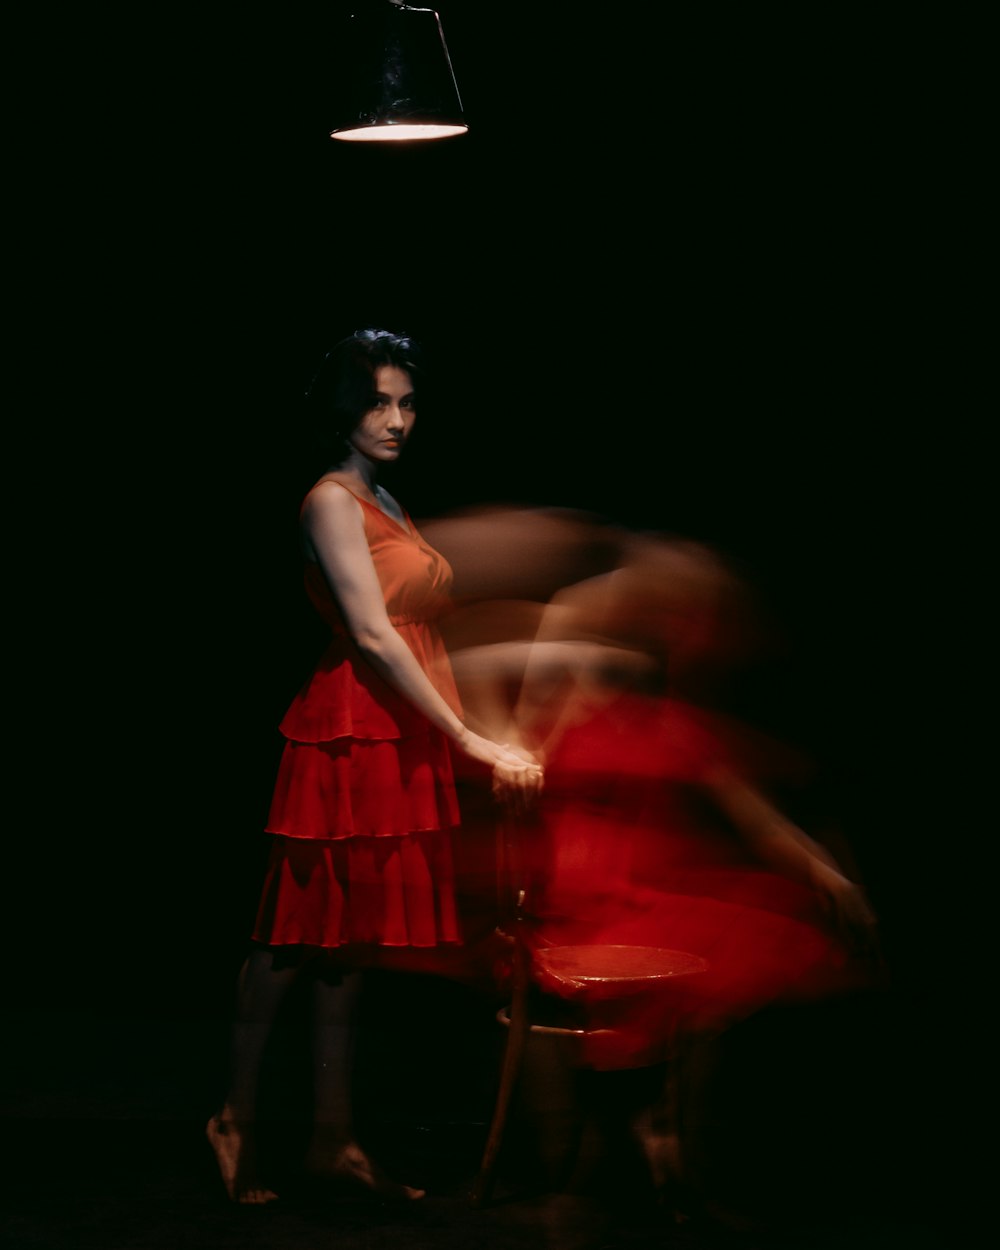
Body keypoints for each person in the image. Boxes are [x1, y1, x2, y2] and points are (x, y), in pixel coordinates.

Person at [205, 328, 542, 1205]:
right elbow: (368, 632)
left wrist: (475, 727)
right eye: (377, 401)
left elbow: (421, 629)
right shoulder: (330, 500)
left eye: (406, 402)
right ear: (342, 408)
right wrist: (469, 740)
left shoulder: (386, 498)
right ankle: (234, 1119)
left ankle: (332, 1139)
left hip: (399, 726)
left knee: (351, 950)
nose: (396, 419)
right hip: (350, 727)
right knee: (294, 939)